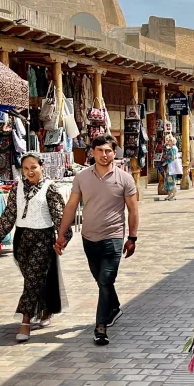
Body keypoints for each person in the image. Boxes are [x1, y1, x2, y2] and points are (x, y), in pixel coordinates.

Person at [56, 134, 139, 346]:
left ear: (114, 153)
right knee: (101, 281)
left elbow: (133, 210)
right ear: (92, 152)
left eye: (108, 151)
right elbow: (72, 206)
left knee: (105, 280)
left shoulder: (125, 179)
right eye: (100, 150)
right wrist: (61, 234)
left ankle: (100, 327)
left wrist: (132, 237)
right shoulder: (82, 177)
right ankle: (114, 307)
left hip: (113, 238)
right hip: (89, 238)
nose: (104, 154)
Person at [0, 153, 69, 344]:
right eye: (25, 168)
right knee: (32, 279)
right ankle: (46, 307)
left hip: (43, 239)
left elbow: (60, 216)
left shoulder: (51, 189)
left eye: (33, 167)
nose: (30, 172)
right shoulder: (16, 188)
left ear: (42, 166)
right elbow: (9, 215)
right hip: (22, 240)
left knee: (32, 280)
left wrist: (62, 238)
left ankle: (25, 321)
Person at [163, 135, 181, 201]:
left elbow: (172, 158)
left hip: (172, 166)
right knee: (168, 180)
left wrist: (166, 162)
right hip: (170, 166)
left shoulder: (173, 148)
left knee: (172, 181)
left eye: (170, 141)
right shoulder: (171, 148)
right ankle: (170, 194)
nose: (168, 142)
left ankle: (174, 195)